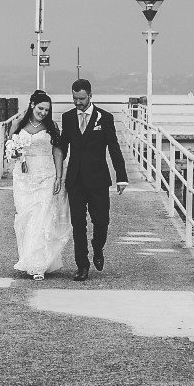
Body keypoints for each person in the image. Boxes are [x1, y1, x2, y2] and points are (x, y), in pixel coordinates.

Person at [59, 78, 128, 282]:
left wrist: (121, 177)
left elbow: (114, 148)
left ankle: (98, 247)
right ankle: (82, 265)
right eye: (74, 98)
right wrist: (52, 171)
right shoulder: (68, 117)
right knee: (78, 224)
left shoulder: (104, 118)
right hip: (75, 180)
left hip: (98, 179)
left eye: (81, 98)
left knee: (101, 221)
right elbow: (63, 147)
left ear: (90, 95)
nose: (78, 102)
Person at [7, 90, 71, 280]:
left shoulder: (51, 126)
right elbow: (10, 147)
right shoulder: (18, 124)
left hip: (46, 175)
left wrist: (59, 176)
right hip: (24, 178)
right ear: (32, 105)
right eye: (40, 108)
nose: (43, 112)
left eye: (47, 110)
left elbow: (58, 152)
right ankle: (28, 258)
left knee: (42, 218)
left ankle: (38, 265)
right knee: (26, 218)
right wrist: (16, 153)